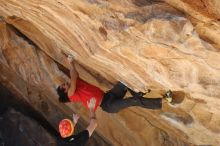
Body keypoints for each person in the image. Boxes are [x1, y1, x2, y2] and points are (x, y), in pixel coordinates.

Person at [56, 55, 172, 113]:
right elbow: (73, 75)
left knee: (124, 83)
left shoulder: (76, 84)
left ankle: (140, 93)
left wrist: (71, 64)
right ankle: (164, 100)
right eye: (63, 86)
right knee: (134, 101)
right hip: (108, 105)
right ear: (65, 91)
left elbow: (74, 73)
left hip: (109, 95)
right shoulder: (71, 95)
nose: (65, 83)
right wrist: (70, 63)